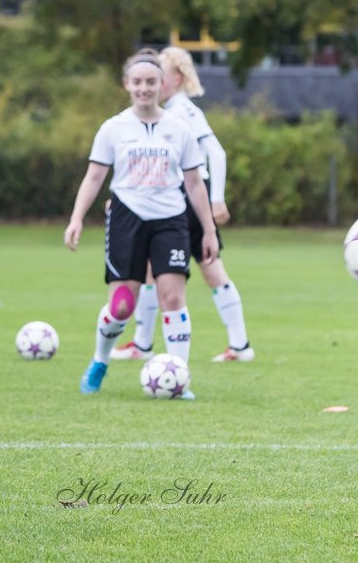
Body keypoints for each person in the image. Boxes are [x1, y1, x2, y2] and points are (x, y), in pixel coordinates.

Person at [64, 48, 219, 398]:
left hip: (170, 219)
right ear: (127, 85)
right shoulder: (113, 128)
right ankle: (100, 360)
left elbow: (195, 184)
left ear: (162, 84)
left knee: (172, 298)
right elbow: (93, 177)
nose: (144, 88)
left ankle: (179, 379)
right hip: (126, 218)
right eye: (138, 82)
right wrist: (76, 218)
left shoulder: (179, 129)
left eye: (151, 82)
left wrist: (208, 231)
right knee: (122, 305)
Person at [110, 46, 253, 363]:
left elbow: (216, 153)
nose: (152, 79)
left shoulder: (182, 111)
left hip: (186, 198)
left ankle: (240, 345)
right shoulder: (162, 111)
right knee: (151, 271)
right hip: (167, 197)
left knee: (209, 268)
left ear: (174, 77)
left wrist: (216, 199)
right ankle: (143, 344)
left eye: (160, 72)